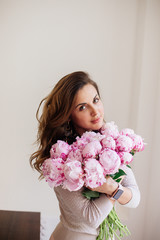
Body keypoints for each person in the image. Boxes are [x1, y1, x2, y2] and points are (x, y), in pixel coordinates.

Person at [30, 71, 140, 240]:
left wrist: (111, 188)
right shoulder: (62, 161)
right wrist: (114, 188)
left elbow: (135, 199)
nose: (95, 111)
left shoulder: (112, 144)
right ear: (68, 116)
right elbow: (92, 218)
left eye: (95, 100)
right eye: (82, 107)